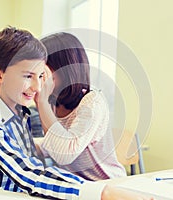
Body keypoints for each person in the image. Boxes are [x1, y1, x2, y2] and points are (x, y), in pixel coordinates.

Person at [0, 26, 153, 200]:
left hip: (99, 183)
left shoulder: (20, 113)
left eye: (41, 76)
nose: (37, 86)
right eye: (28, 76)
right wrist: (103, 193)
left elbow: (36, 161)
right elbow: (28, 173)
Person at [36, 32, 126, 181]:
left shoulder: (92, 102)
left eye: (44, 69)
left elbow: (64, 154)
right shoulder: (53, 102)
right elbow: (52, 144)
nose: (40, 76)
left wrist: (42, 102)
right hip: (77, 186)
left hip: (106, 183)